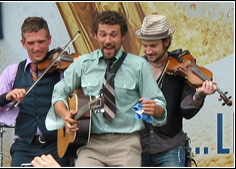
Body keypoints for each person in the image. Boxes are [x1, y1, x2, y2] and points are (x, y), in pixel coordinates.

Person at [32, 10, 167, 167]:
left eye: (113, 35)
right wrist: (65, 115)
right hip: (90, 145)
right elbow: (59, 92)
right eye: (103, 34)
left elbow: (160, 105)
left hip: (126, 144)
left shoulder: (139, 66)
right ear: (95, 36)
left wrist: (155, 108)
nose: (108, 40)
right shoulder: (83, 64)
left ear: (123, 36)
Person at [134, 14, 217, 167]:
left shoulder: (181, 68)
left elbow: (186, 109)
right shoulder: (136, 68)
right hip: (138, 149)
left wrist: (199, 95)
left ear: (167, 41)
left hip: (170, 148)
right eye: (145, 46)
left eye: (153, 46)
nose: (148, 51)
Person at [0, 17, 71, 167]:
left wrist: (78, 67)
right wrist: (6, 97)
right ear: (23, 43)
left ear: (50, 39)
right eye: (31, 43)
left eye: (41, 41)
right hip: (24, 146)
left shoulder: (62, 70)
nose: (37, 48)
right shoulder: (13, 72)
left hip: (57, 144)